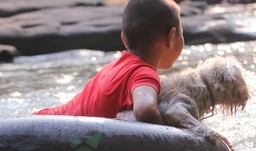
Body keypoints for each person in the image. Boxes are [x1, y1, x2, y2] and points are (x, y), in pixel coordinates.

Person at [34, 0, 184, 124]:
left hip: (41, 120)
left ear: (123, 39)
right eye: (181, 34)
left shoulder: (112, 68)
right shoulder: (144, 73)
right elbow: (145, 110)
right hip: (55, 133)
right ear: (170, 38)